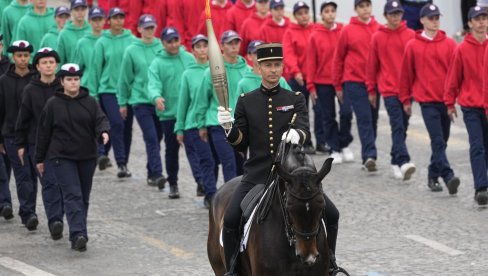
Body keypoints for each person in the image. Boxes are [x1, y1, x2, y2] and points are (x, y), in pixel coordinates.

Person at [219, 43, 342, 276]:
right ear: (258, 67)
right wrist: (229, 129)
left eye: (277, 65)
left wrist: (298, 133)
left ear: (282, 67)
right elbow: (241, 144)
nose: (273, 70)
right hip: (258, 174)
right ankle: (232, 270)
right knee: (232, 218)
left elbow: (304, 127)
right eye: (267, 65)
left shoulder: (295, 98)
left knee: (332, 213)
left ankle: (331, 264)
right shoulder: (247, 101)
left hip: (293, 174)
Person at [36, 63, 110, 252]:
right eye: (69, 79)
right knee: (72, 194)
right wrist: (40, 159)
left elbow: (100, 119)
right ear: (62, 81)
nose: (73, 83)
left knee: (83, 196)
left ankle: (79, 229)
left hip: (87, 155)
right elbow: (43, 133)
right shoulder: (53, 104)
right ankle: (78, 234)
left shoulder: (90, 102)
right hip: (62, 157)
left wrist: (103, 132)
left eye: (76, 79)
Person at [399, 3, 459, 193]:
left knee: (444, 140)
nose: (435, 22)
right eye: (431, 18)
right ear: (422, 20)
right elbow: (406, 74)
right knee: (438, 140)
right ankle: (448, 176)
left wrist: (454, 98)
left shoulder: (449, 44)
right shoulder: (413, 45)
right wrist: (406, 99)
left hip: (445, 101)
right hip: (426, 102)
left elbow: (455, 73)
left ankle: (432, 175)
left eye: (437, 18)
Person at [15, 48, 64, 239]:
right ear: (37, 67)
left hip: (63, 144)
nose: (48, 65)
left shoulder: (63, 87)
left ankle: (60, 215)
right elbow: (23, 118)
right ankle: (55, 221)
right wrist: (20, 144)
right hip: (38, 145)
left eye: (51, 62)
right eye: (44, 62)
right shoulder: (30, 90)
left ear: (56, 65)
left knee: (63, 184)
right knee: (49, 182)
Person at [366, 0, 416, 180]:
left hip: (408, 91)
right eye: (392, 14)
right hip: (388, 89)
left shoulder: (410, 35)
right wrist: (371, 89)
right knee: (397, 125)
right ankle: (403, 161)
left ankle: (395, 159)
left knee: (404, 126)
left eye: (398, 13)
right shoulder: (377, 37)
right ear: (386, 16)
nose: (395, 17)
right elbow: (372, 65)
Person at [195, 30, 251, 182]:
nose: (234, 46)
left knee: (241, 166)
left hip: (240, 125)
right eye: (230, 43)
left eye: (236, 42)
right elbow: (201, 100)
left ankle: (241, 200)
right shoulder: (212, 71)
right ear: (221, 46)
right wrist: (201, 125)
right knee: (228, 163)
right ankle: (228, 201)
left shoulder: (247, 70)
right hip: (218, 124)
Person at [147, 27, 195, 198]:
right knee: (172, 150)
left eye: (176, 40)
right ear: (163, 43)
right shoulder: (157, 63)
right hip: (169, 114)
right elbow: (153, 84)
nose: (174, 45)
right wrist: (156, 97)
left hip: (190, 114)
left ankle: (201, 182)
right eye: (169, 42)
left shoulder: (189, 58)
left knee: (194, 148)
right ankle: (173, 183)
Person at [447, 6, 487, 205]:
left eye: (484, 18)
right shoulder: (462, 48)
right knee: (477, 146)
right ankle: (481, 188)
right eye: (477, 19)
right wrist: (449, 102)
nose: (481, 22)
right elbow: (453, 78)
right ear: (470, 23)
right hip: (471, 106)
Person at [333, 0, 379, 172]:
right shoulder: (347, 30)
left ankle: (370, 152)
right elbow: (338, 58)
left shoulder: (378, 29)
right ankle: (369, 155)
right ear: (356, 9)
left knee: (373, 118)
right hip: (354, 81)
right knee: (364, 118)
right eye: (361, 6)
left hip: (374, 82)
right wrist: (338, 85)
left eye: (367, 5)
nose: (365, 9)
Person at [117, 14, 163, 187]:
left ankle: (151, 171)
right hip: (139, 100)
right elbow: (125, 78)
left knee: (158, 136)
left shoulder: (161, 47)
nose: (149, 31)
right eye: (146, 28)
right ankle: (158, 173)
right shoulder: (132, 50)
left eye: (152, 27)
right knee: (150, 136)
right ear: (139, 29)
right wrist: (123, 102)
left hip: (159, 100)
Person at [89, 7, 134, 176]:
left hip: (129, 91)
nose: (118, 20)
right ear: (109, 20)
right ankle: (120, 162)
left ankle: (104, 154)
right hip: (108, 90)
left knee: (127, 128)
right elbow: (95, 69)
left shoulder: (131, 40)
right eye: (115, 17)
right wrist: (93, 93)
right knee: (116, 123)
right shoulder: (102, 42)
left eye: (121, 17)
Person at [307, 1, 352, 164]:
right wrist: (311, 85)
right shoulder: (315, 35)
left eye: (333, 11)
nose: (330, 14)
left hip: (342, 80)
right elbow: (311, 61)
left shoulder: (343, 32)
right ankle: (334, 147)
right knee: (328, 116)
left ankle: (345, 142)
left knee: (347, 112)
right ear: (322, 15)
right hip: (323, 81)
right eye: (327, 11)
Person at [175, 34, 216, 206]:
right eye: (198, 47)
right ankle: (210, 194)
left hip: (212, 122)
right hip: (194, 123)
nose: (201, 50)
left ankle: (211, 188)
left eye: (204, 46)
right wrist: (179, 127)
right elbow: (183, 101)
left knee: (215, 159)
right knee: (206, 160)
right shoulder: (188, 74)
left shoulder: (216, 69)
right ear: (192, 51)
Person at [0, 40, 37, 230]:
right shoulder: (4, 81)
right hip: (12, 135)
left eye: (25, 55)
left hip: (34, 135)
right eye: (19, 56)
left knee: (33, 173)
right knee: (22, 174)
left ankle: (29, 210)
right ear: (13, 57)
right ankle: (28, 212)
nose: (23, 59)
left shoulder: (36, 79)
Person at [283, 1, 326, 155]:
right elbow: (289, 54)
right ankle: (306, 141)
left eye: (306, 12)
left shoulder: (315, 30)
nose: (304, 16)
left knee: (319, 109)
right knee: (302, 111)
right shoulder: (290, 32)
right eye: (300, 13)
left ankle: (322, 141)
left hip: (314, 77)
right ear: (295, 16)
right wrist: (296, 72)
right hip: (298, 78)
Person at [75, 7, 105, 91]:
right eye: (94, 20)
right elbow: (78, 67)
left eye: (100, 19)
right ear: (89, 21)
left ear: (104, 21)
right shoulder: (82, 43)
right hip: (87, 85)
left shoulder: (109, 40)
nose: (97, 23)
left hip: (106, 85)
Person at [57, 0, 91, 64]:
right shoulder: (64, 34)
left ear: (86, 11)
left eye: (82, 9)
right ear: (71, 12)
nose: (80, 12)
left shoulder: (91, 30)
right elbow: (60, 60)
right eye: (77, 10)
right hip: (71, 72)